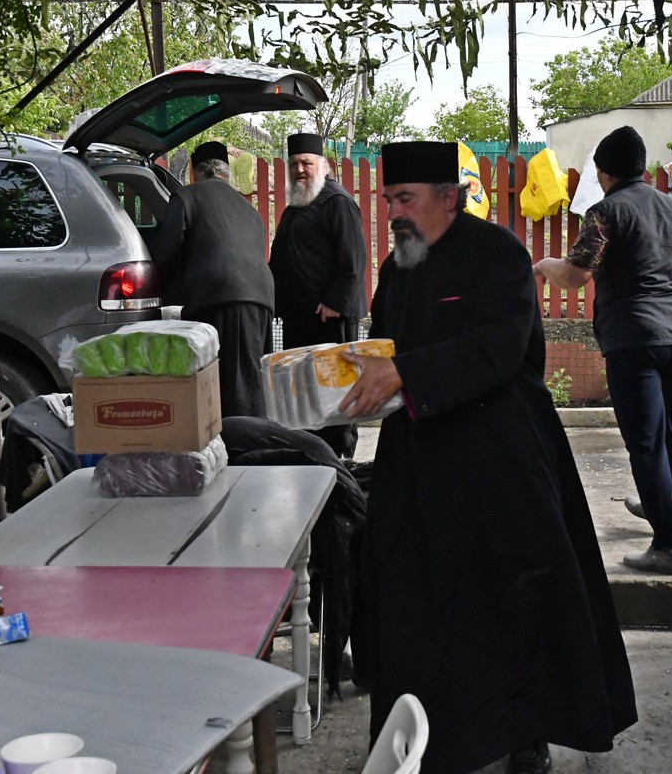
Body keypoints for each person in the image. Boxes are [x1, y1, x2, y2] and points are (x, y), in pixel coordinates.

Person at [338, 141, 637, 774]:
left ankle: (525, 735)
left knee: (510, 602)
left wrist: (403, 373)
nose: (394, 212)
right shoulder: (397, 269)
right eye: (389, 199)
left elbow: (500, 349)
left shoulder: (500, 256)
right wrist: (358, 374)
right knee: (415, 601)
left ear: (449, 198)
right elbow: (386, 345)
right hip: (418, 459)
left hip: (500, 460)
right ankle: (420, 738)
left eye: (406, 199)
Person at [533, 125, 672, 576]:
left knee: (644, 442)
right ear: (643, 168)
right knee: (661, 432)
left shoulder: (606, 213)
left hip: (635, 338)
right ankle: (658, 505)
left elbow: (577, 275)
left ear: (603, 171)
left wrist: (542, 265)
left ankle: (669, 545)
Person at [148, 140, 274, 418]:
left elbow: (166, 253)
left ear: (194, 172)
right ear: (226, 173)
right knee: (251, 382)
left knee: (228, 388)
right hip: (262, 299)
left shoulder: (187, 196)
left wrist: (160, 294)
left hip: (221, 297)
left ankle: (242, 451)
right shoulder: (248, 209)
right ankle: (254, 445)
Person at [268, 132, 368, 457]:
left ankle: (342, 457)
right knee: (309, 393)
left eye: (306, 163)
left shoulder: (336, 201)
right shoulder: (297, 205)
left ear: (321, 166)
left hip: (329, 318)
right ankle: (316, 453)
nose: (299, 170)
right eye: (294, 164)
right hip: (302, 319)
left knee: (335, 391)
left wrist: (336, 302)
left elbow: (353, 259)